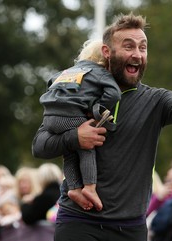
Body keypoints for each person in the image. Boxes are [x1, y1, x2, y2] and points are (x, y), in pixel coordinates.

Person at [32, 13, 172, 241]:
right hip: (80, 224)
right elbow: (39, 145)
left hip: (131, 230)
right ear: (107, 51)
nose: (137, 53)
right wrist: (75, 137)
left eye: (142, 47)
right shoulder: (78, 93)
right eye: (128, 46)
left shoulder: (155, 100)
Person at [39, 39, 121, 211]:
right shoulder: (100, 72)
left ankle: (74, 188)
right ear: (106, 60)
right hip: (71, 116)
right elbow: (114, 93)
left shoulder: (65, 72)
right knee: (86, 145)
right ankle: (89, 188)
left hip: (49, 117)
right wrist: (96, 108)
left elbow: (49, 84)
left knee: (69, 152)